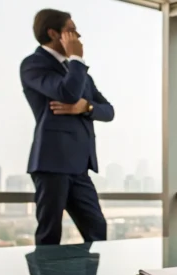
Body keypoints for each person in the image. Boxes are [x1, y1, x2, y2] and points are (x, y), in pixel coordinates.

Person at [20, 9, 114, 245]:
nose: (78, 35)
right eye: (71, 30)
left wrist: (86, 107)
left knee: (97, 230)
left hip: (80, 166)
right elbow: (68, 93)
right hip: (51, 163)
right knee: (50, 234)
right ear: (53, 33)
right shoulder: (34, 65)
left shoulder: (79, 73)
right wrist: (77, 59)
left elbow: (108, 111)